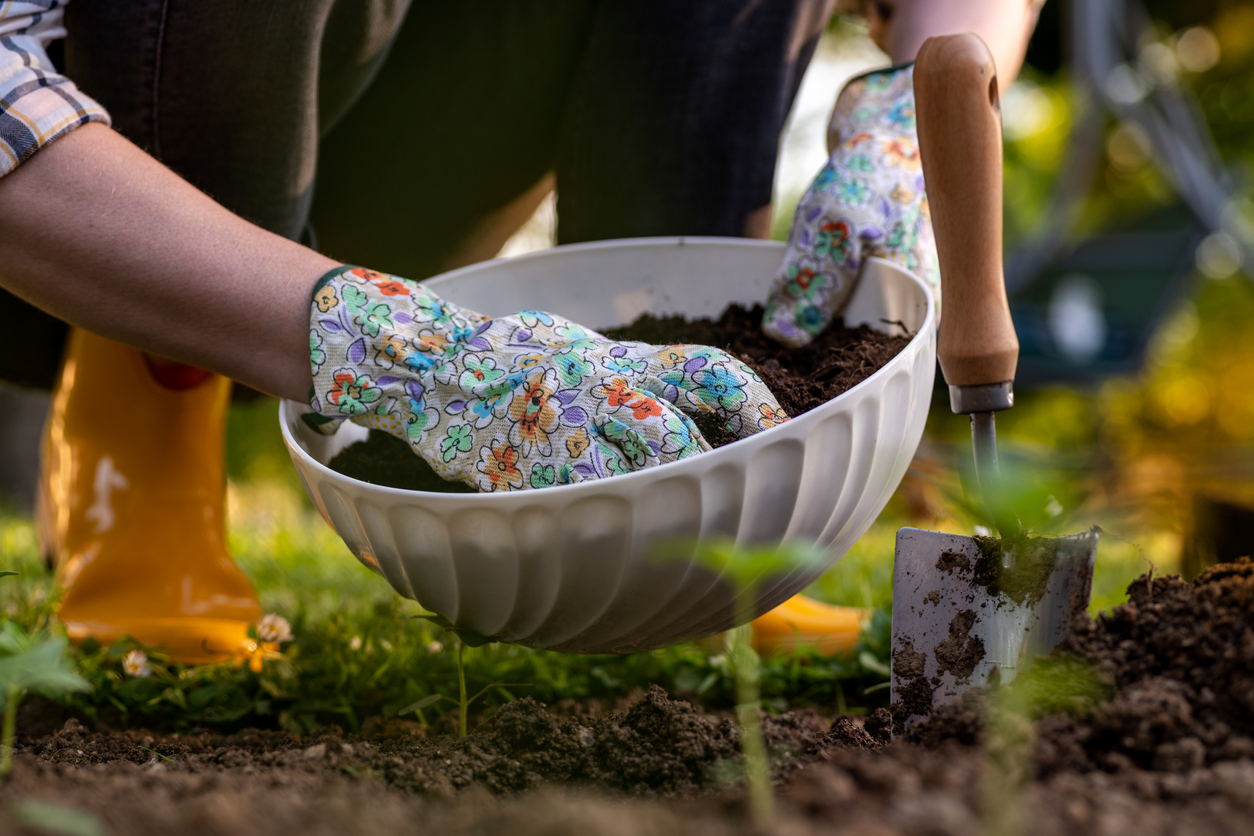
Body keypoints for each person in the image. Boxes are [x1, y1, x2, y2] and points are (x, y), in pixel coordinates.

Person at [0, 0, 1042, 662]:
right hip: (104, 206)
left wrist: (909, 120)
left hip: (399, 157)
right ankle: (139, 441)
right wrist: (411, 353)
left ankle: (710, 481)